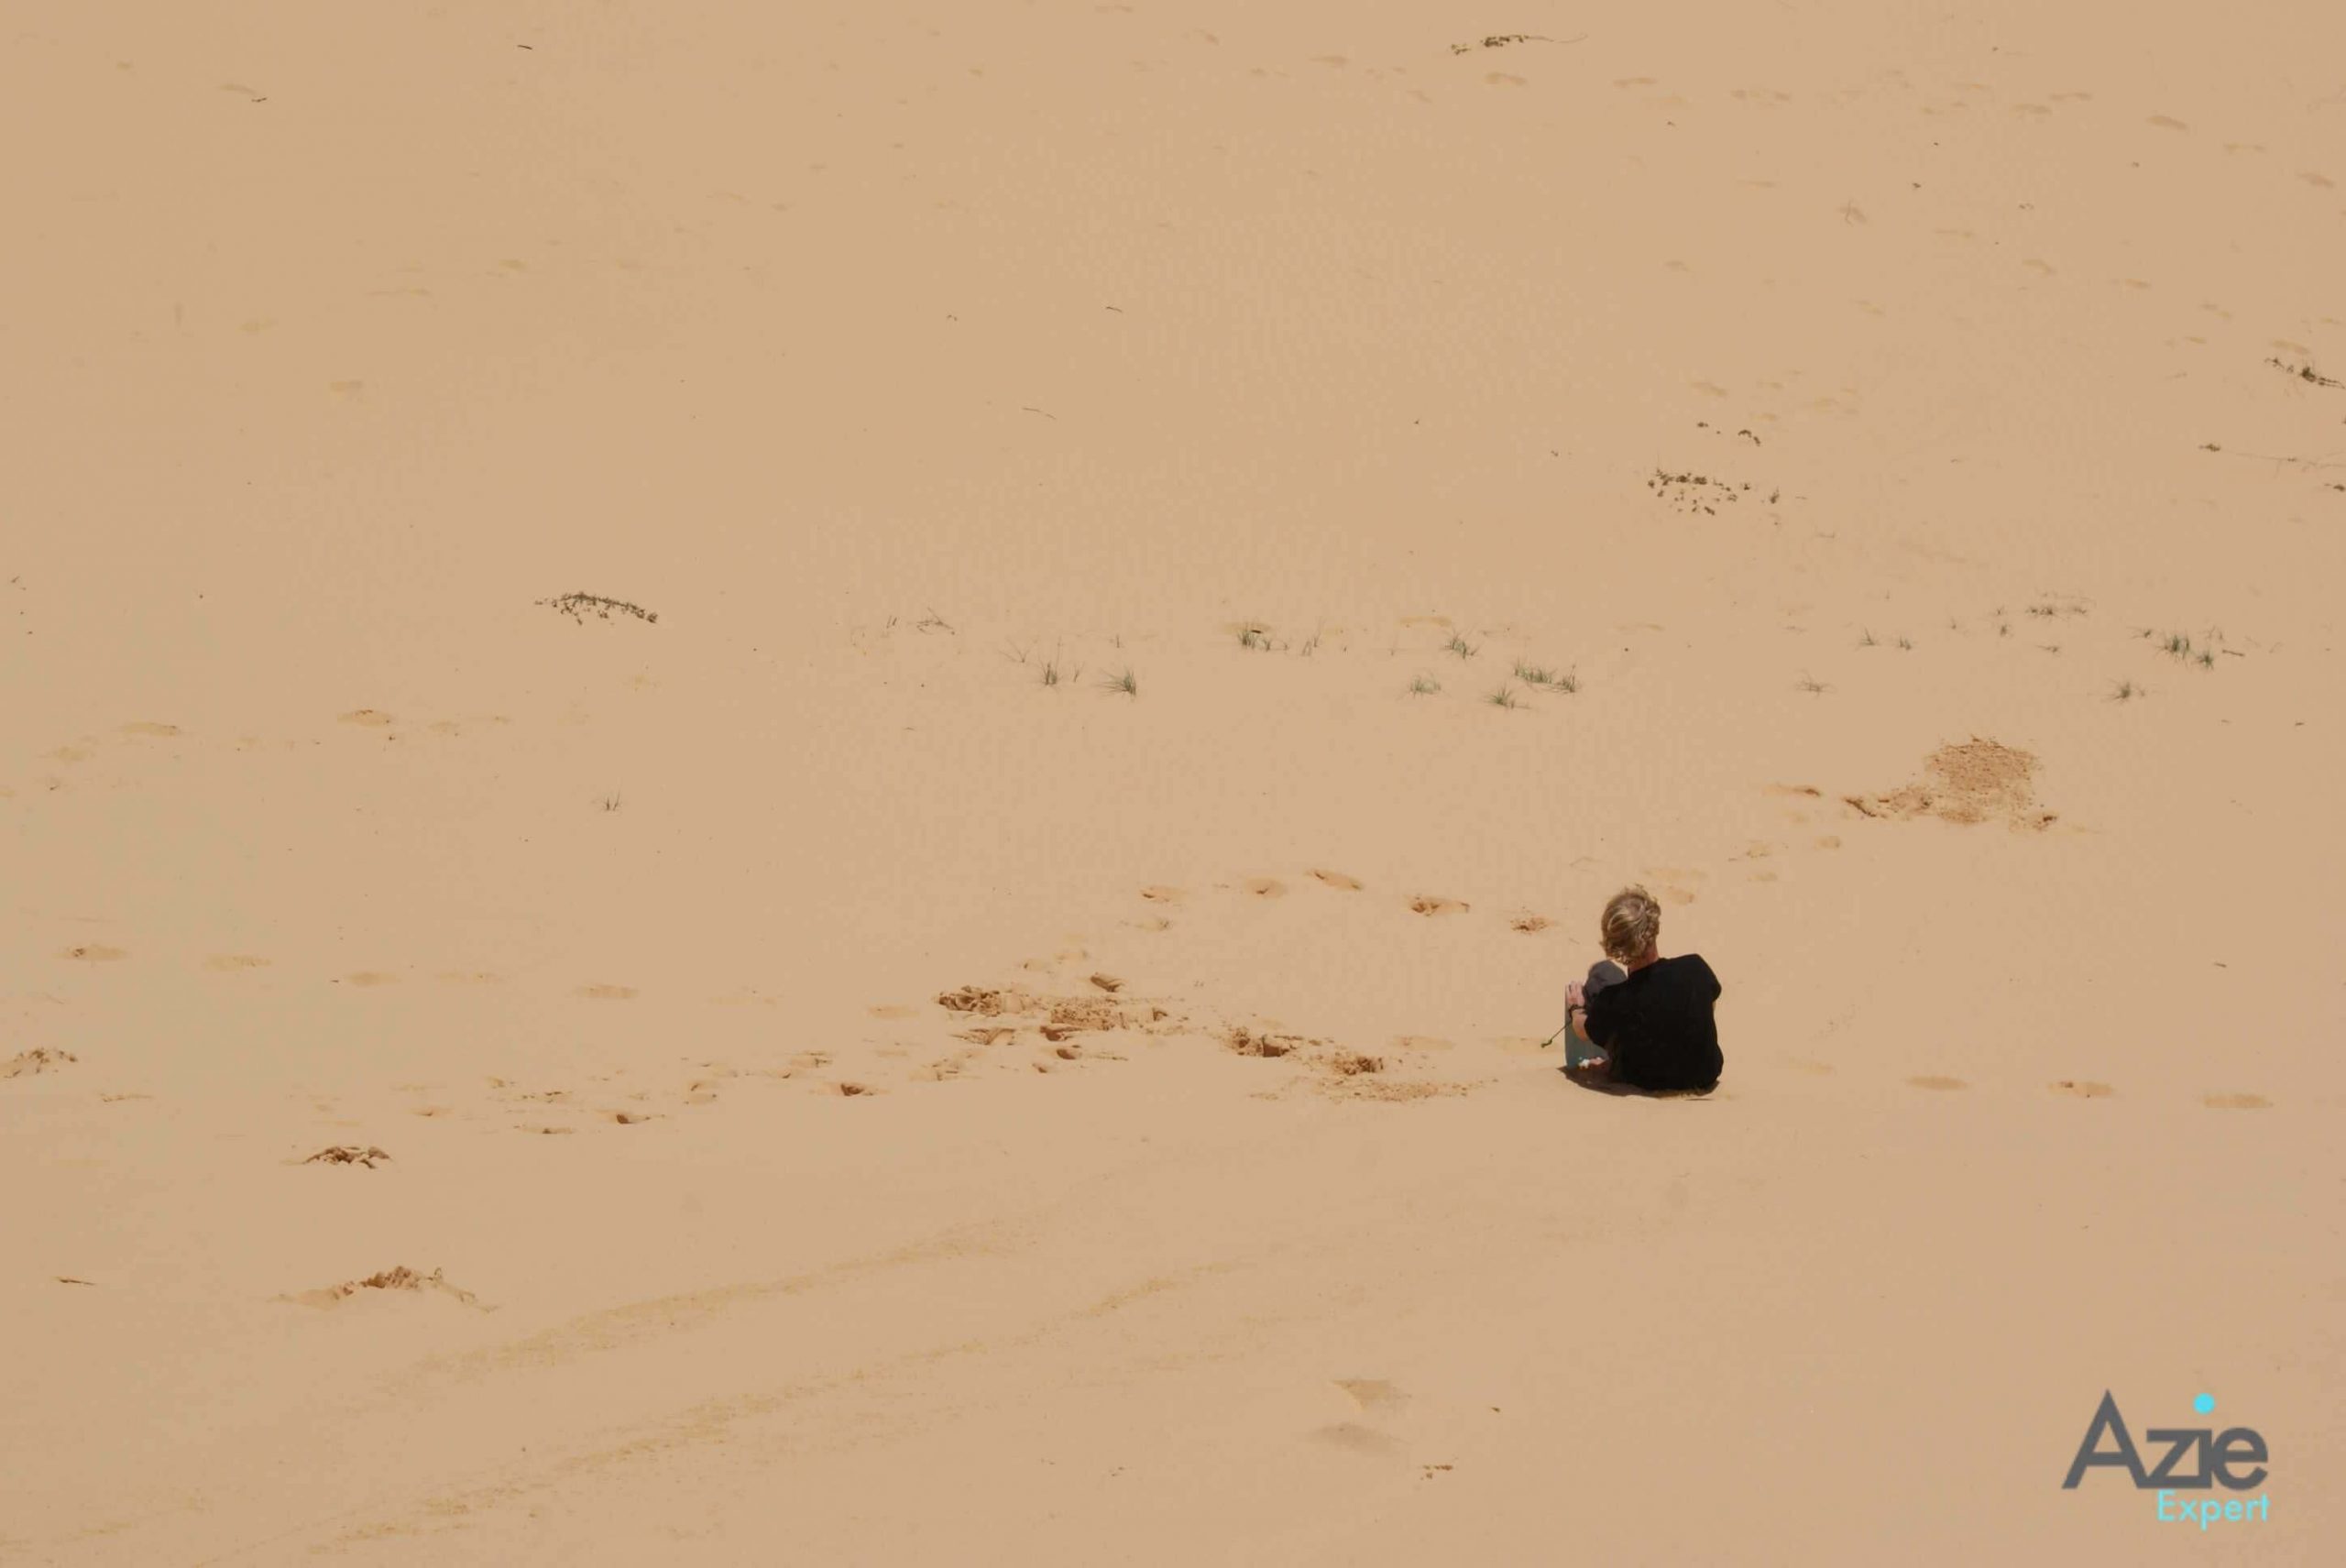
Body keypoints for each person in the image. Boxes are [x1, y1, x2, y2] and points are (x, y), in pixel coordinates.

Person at [1562, 885, 1722, 1093]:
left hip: (1643, 1079)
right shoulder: (1695, 968)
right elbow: (1710, 1004)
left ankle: (1587, 1061)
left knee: (1601, 972)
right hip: (1703, 1074)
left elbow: (1582, 1030)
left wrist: (1575, 1008)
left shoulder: (1615, 1000)